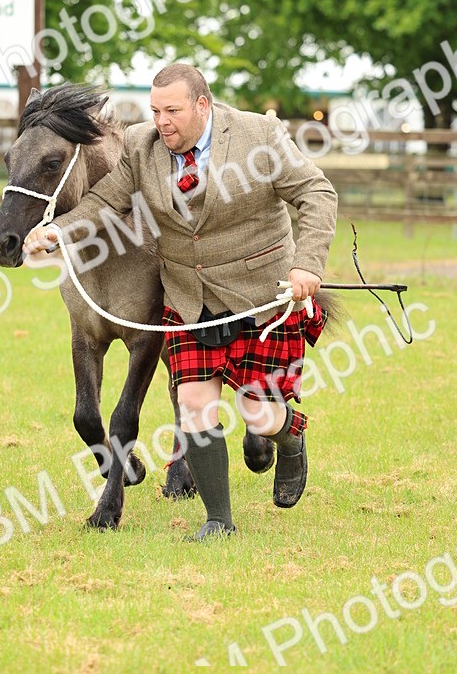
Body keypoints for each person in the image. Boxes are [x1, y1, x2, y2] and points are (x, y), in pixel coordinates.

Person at [24, 63, 338, 540]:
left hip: (259, 295)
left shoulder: (259, 135)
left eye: (172, 110)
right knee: (193, 404)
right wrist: (56, 231)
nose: (162, 121)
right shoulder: (141, 145)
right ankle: (219, 521)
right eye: (155, 110)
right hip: (190, 299)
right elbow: (107, 201)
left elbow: (316, 192)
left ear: (202, 105)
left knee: (259, 413)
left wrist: (308, 266)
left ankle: (289, 433)